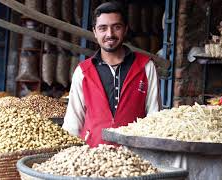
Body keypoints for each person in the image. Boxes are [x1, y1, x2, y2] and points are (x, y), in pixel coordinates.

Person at [63, 2, 161, 147]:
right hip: (90, 159)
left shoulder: (145, 67)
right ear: (95, 32)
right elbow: (73, 123)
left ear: (125, 29)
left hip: (136, 159)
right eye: (103, 28)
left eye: (117, 27)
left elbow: (155, 118)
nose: (110, 34)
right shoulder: (83, 71)